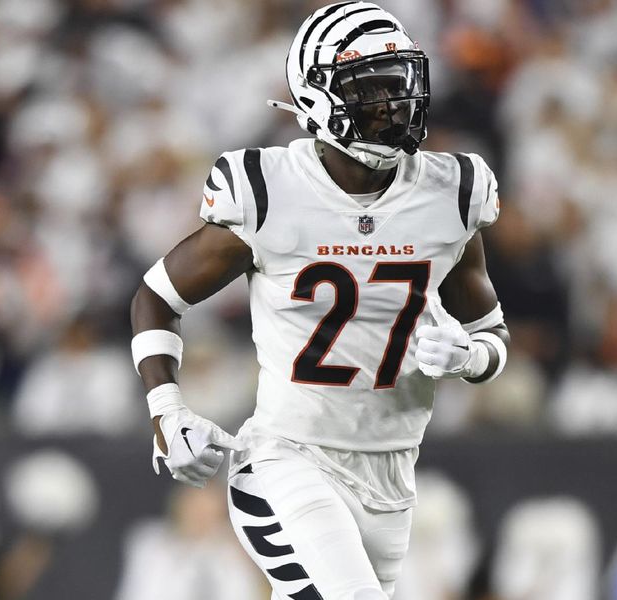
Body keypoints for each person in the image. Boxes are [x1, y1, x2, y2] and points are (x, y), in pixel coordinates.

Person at [129, 2, 510, 599]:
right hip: (286, 459)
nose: (394, 103)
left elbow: (493, 336)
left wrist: (469, 356)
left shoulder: (451, 193)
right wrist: (166, 411)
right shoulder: (268, 190)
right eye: (371, 88)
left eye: (399, 81)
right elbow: (155, 297)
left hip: (392, 471)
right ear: (317, 100)